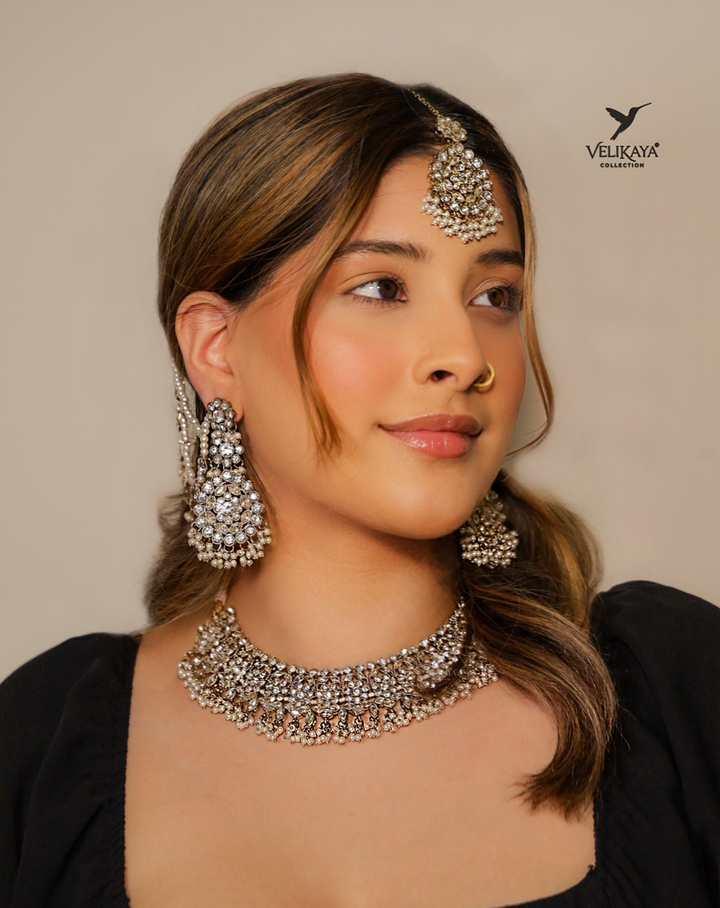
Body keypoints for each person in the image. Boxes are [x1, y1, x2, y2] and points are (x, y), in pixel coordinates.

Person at [1, 74, 718, 908]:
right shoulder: (43, 742)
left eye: (495, 296)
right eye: (381, 288)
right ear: (216, 348)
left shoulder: (675, 690)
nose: (465, 356)